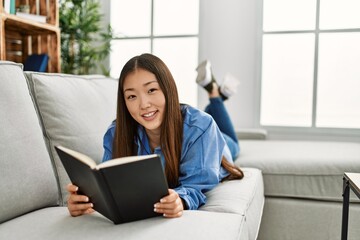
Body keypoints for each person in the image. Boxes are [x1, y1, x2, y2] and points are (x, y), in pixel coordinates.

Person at [66, 53, 243, 219]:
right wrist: (86, 200)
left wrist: (180, 200)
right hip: (191, 123)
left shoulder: (202, 127)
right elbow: (108, 185)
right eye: (132, 96)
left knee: (233, 143)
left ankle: (214, 93)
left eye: (151, 90)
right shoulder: (115, 134)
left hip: (218, 149)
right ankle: (217, 93)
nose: (143, 104)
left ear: (168, 89)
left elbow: (196, 186)